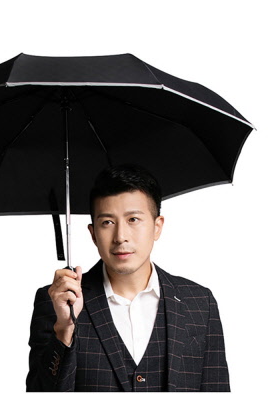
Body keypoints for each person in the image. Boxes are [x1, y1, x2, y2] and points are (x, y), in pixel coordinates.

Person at [26, 164, 230, 392]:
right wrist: (64, 330)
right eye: (107, 222)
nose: (120, 236)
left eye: (133, 219)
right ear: (93, 234)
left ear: (157, 227)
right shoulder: (58, 302)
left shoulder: (199, 303)